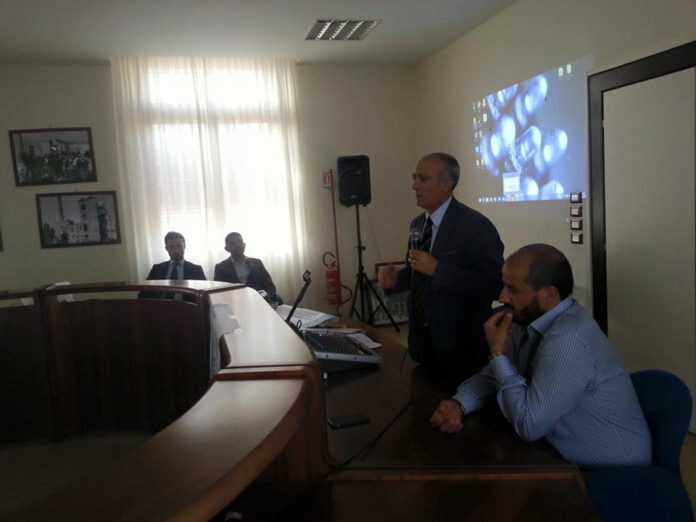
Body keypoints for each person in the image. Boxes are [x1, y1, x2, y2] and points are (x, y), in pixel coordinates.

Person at [430, 244, 652, 467]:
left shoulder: (568, 338)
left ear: (549, 295)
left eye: (512, 289)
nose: (502, 296)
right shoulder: (528, 321)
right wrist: (459, 403)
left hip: (611, 471)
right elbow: (494, 375)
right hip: (557, 456)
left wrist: (497, 353)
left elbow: (529, 425)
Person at [378, 152, 504, 388]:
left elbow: (493, 285)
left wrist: (439, 269)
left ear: (446, 184)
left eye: (423, 179)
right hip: (421, 345)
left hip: (461, 348)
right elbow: (419, 272)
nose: (414, 185)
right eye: (414, 178)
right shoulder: (417, 224)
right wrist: (396, 280)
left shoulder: (476, 226)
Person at [213, 232, 281, 304]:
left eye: (240, 241)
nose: (238, 245)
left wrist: (267, 298)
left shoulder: (257, 262)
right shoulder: (220, 268)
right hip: (236, 304)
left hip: (260, 302)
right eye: (232, 243)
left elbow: (270, 286)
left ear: (244, 244)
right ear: (227, 248)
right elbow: (219, 293)